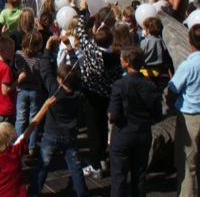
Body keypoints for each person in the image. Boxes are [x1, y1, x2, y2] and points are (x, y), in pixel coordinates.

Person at [35, 35, 87, 197]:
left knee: (43, 165)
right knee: (75, 167)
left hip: (51, 133)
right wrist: (69, 47)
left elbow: (44, 69)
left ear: (59, 80)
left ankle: (34, 192)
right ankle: (82, 193)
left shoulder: (54, 90)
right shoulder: (78, 91)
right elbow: (76, 70)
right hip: (70, 134)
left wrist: (48, 47)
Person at [108, 45, 162, 197]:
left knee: (119, 177)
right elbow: (157, 114)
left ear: (127, 62)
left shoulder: (120, 85)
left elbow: (114, 115)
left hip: (122, 134)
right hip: (142, 133)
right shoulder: (151, 85)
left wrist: (110, 115)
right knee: (139, 177)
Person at [76, 12, 122, 178]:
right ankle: (102, 158)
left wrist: (82, 12)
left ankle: (95, 164)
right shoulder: (116, 58)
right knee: (102, 127)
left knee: (93, 130)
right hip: (107, 96)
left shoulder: (92, 51)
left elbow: (80, 32)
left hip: (91, 95)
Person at [0, 97, 55, 197]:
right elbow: (32, 126)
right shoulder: (15, 151)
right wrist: (45, 106)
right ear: (7, 139)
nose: (15, 131)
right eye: (12, 132)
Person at [168, 23, 200, 197]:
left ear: (190, 41)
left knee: (187, 164)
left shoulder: (188, 65)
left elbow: (173, 88)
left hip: (191, 116)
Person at [14, 31, 43, 154]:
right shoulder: (39, 58)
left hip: (22, 89)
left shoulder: (18, 55)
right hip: (35, 90)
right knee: (33, 119)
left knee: (20, 118)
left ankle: (18, 144)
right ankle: (31, 145)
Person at [0, 35, 17, 125]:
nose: (13, 52)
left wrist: (15, 75)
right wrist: (19, 80)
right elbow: (5, 91)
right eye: (10, 50)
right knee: (5, 135)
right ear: (2, 51)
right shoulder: (5, 68)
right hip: (5, 107)